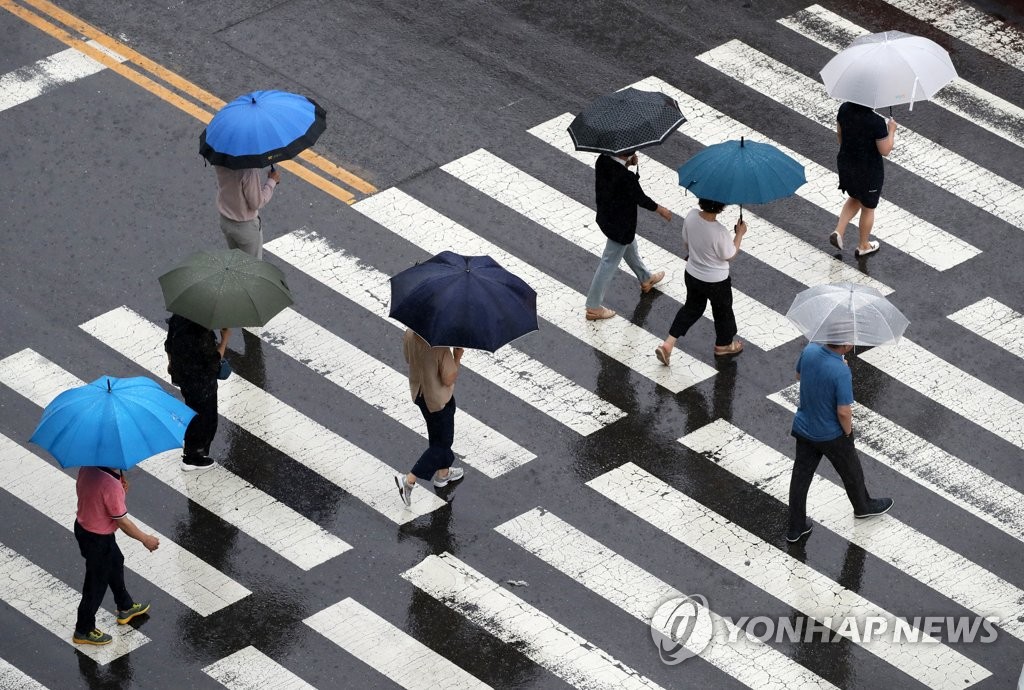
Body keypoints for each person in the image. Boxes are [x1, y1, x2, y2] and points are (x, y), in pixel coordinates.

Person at [786, 342, 893, 543]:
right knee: (851, 470)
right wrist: (848, 433)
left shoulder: (809, 350)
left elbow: (799, 376)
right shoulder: (840, 371)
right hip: (831, 434)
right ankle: (863, 506)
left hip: (804, 427)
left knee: (800, 478)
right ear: (844, 345)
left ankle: (795, 527)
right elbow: (843, 411)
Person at [72, 467, 159, 646]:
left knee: (116, 561)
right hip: (99, 540)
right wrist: (145, 539)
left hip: (84, 528)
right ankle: (83, 629)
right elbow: (122, 522)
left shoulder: (87, 468)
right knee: (95, 586)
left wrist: (120, 479)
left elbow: (91, 492)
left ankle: (125, 605)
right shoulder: (110, 485)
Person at [655, 199, 745, 364]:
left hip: (692, 274)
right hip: (717, 282)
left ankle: (668, 344)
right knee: (723, 312)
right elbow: (730, 255)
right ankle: (724, 345)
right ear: (721, 207)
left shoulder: (691, 216)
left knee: (691, 308)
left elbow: (686, 243)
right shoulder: (720, 232)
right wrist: (739, 233)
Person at [584, 150, 672, 321]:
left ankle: (646, 278)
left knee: (630, 246)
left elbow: (615, 180)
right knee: (609, 262)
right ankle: (593, 307)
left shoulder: (602, 160)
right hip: (621, 225)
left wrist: (627, 164)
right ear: (628, 154)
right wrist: (661, 210)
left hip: (606, 216)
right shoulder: (626, 178)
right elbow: (640, 198)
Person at [395, 329, 465, 506]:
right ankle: (409, 480)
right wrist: (457, 356)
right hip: (438, 400)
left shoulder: (410, 334)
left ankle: (443, 474)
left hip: (420, 394)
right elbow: (449, 378)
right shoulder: (440, 347)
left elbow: (408, 358)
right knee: (443, 443)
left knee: (436, 435)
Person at [829, 102, 897, 257]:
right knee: (868, 207)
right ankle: (863, 245)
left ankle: (839, 231)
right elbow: (885, 150)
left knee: (855, 196)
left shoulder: (844, 108)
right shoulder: (876, 122)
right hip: (868, 171)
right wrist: (891, 131)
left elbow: (840, 134)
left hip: (846, 163)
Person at [165, 314, 226, 471]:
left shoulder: (178, 318)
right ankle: (193, 457)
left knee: (192, 411)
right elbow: (214, 361)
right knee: (205, 418)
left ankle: (191, 447)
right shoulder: (201, 333)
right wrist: (225, 339)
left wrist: (171, 363)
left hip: (184, 377)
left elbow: (169, 345)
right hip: (202, 384)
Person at [215, 165, 281, 259]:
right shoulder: (248, 171)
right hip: (245, 227)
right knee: (252, 268)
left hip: (225, 221)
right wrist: (272, 181)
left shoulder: (221, 160)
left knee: (236, 263)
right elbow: (256, 203)